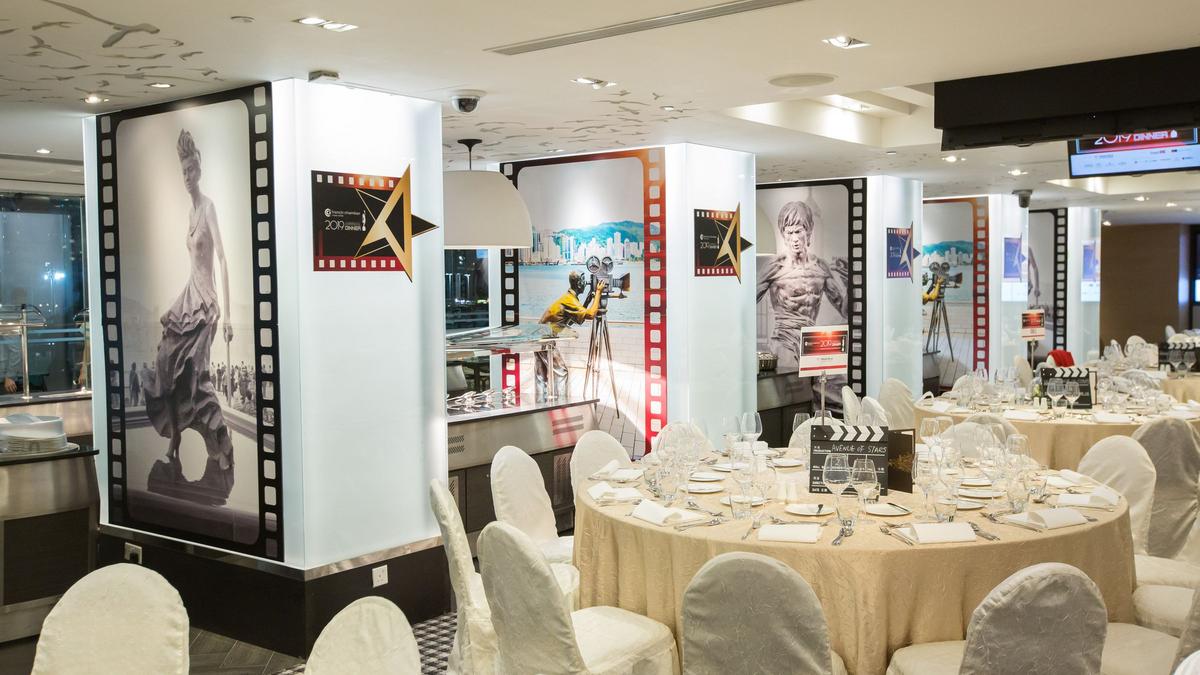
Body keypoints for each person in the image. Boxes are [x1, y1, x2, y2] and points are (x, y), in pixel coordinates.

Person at [142, 129, 236, 506]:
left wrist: (227, 314)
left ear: (200, 170)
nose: (187, 176)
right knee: (166, 364)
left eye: (192, 169)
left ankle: (221, 445)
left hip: (205, 303)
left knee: (198, 377)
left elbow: (222, 259)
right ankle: (176, 441)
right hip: (188, 299)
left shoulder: (208, 207)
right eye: (183, 170)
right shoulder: (190, 211)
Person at [757, 199, 850, 410]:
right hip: (785, 339)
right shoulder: (776, 267)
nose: (794, 239)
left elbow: (844, 310)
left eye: (798, 231)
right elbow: (746, 300)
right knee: (795, 397)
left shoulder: (820, 267)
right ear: (783, 235)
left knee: (832, 399)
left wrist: (850, 285)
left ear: (808, 232)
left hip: (812, 341)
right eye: (789, 232)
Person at [535, 271, 604, 401]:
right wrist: (598, 292)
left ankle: (540, 403)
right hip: (544, 338)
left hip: (541, 336)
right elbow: (590, 315)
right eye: (583, 280)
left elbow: (576, 320)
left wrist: (587, 301)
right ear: (578, 283)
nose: (586, 283)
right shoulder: (570, 300)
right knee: (561, 372)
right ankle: (561, 404)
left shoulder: (569, 298)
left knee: (541, 374)